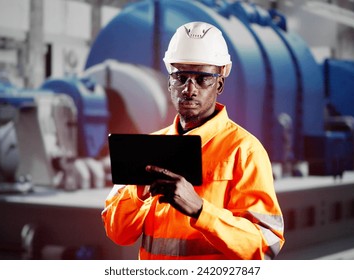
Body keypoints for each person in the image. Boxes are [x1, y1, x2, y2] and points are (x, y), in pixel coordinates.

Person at [102, 21, 285, 260]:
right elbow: (118, 233)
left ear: (219, 84)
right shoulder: (148, 148)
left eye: (202, 79)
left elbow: (266, 245)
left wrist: (200, 210)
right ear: (169, 83)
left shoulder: (244, 151)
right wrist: (138, 193)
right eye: (180, 77)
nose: (189, 89)